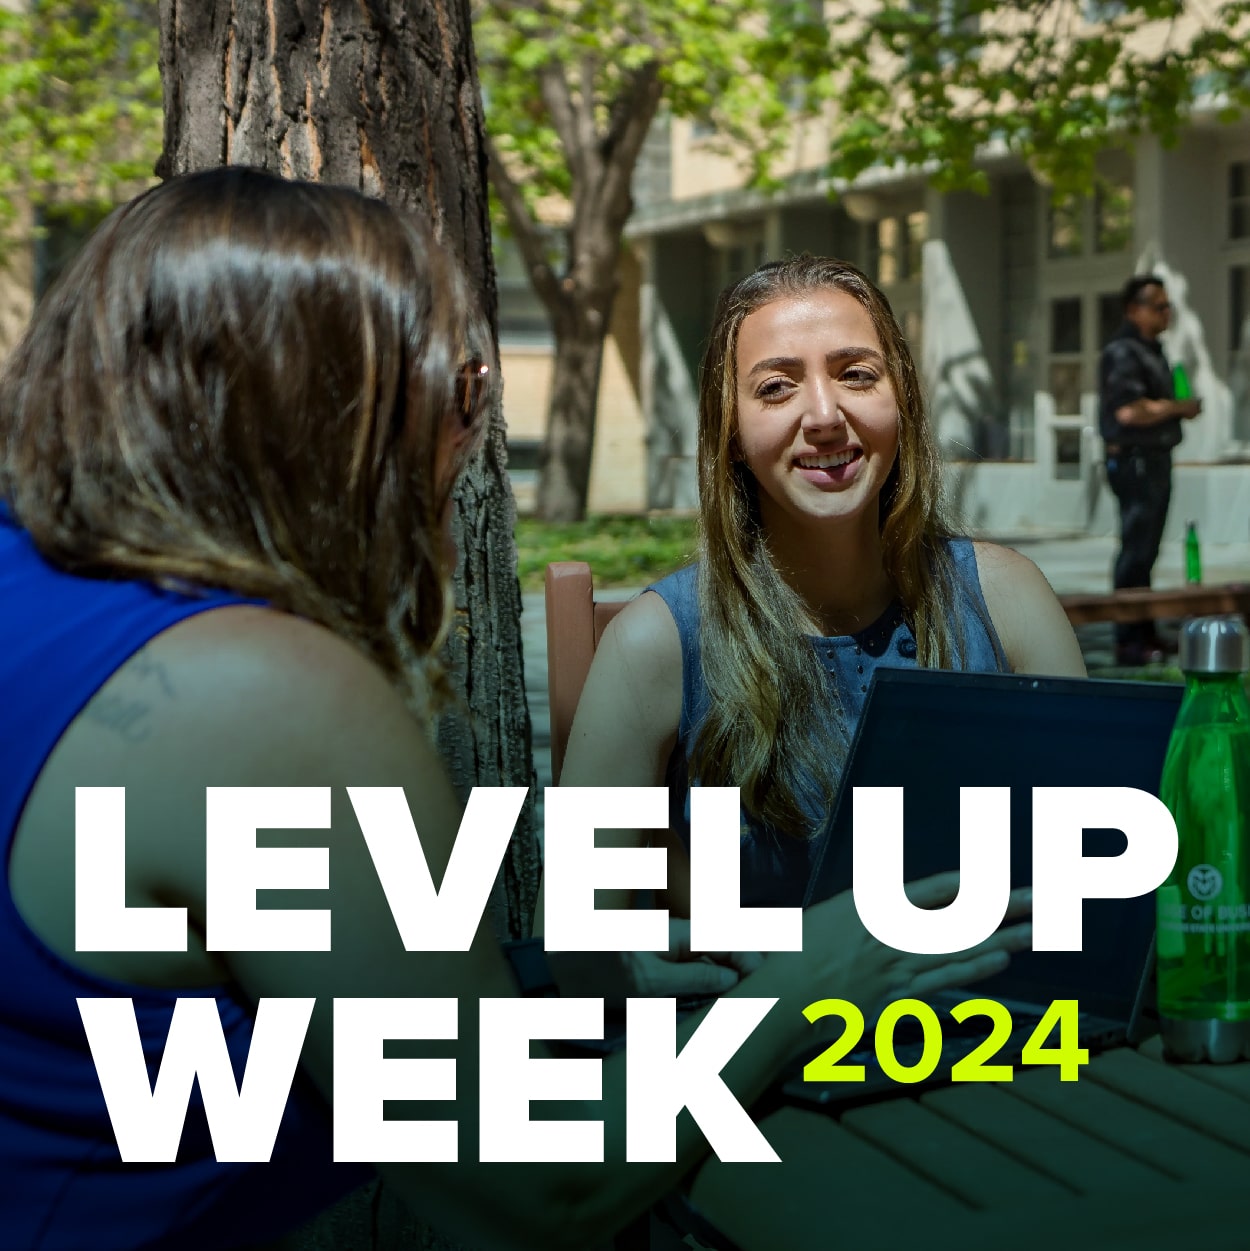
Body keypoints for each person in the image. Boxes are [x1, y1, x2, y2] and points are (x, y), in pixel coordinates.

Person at [0, 171, 1031, 1251]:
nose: (472, 431)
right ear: (322, 412)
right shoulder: (254, 696)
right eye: (457, 383)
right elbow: (538, 1191)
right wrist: (811, 976)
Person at [559, 255, 1084, 994]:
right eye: (776, 386)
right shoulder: (654, 649)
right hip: (778, 1082)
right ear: (732, 430)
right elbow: (578, 954)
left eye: (857, 374)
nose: (825, 414)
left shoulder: (1008, 601)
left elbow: (1096, 888)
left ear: (901, 399)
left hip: (1004, 1048)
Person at [1099, 273, 1203, 666]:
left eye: (1167, 305)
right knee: (1135, 550)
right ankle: (1127, 639)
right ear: (1134, 310)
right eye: (1158, 306)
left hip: (1154, 460)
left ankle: (1143, 631)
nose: (1166, 312)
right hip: (1135, 462)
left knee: (1147, 550)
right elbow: (1128, 410)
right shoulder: (1124, 351)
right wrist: (1179, 408)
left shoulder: (1151, 350)